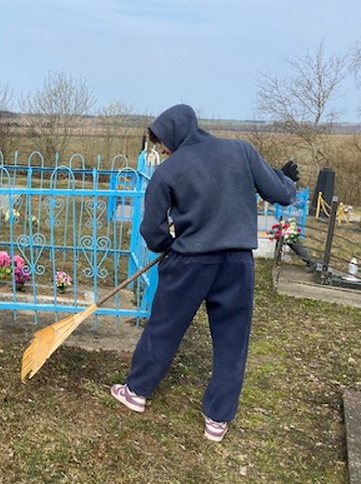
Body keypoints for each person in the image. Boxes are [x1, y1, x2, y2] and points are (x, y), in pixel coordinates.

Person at [110, 104, 298, 442]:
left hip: (189, 264)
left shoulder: (169, 171)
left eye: (162, 142)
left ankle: (136, 391)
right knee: (232, 339)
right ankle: (217, 418)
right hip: (237, 263)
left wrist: (167, 245)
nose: (162, 150)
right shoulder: (240, 151)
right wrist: (284, 178)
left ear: (174, 135)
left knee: (164, 328)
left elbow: (151, 229)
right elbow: (281, 193)